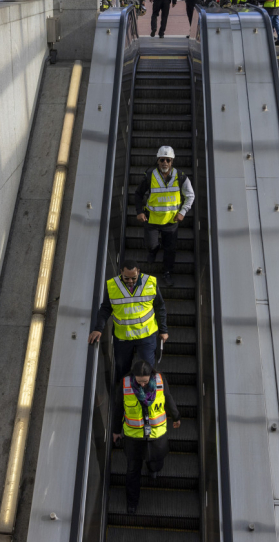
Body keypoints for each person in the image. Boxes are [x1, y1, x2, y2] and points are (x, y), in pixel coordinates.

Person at [112, 360, 181, 515]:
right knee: (132, 472)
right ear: (133, 376)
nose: (142, 385)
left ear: (151, 375)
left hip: (156, 435)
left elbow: (168, 398)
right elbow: (119, 408)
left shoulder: (160, 380)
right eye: (139, 381)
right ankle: (132, 503)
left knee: (156, 461)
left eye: (145, 381)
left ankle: (153, 469)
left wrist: (176, 416)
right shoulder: (125, 384)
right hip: (134, 437)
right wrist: (116, 431)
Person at [88, 259, 168, 381]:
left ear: (138, 272)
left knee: (147, 369)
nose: (130, 281)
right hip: (123, 337)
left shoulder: (150, 283)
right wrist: (98, 329)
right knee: (122, 369)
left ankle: (146, 391)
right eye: (126, 278)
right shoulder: (112, 285)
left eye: (134, 278)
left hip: (146, 335)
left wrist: (163, 330)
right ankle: (123, 390)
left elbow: (160, 307)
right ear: (121, 272)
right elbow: (105, 309)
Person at [134, 145, 195, 286]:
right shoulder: (150, 175)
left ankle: (167, 272)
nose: (165, 163)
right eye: (162, 160)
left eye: (168, 160)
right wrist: (139, 211)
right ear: (158, 161)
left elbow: (190, 195)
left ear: (172, 161)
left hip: (171, 222)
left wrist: (183, 212)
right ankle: (154, 250)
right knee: (151, 244)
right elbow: (138, 194)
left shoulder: (181, 176)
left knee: (170, 250)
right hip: (152, 220)